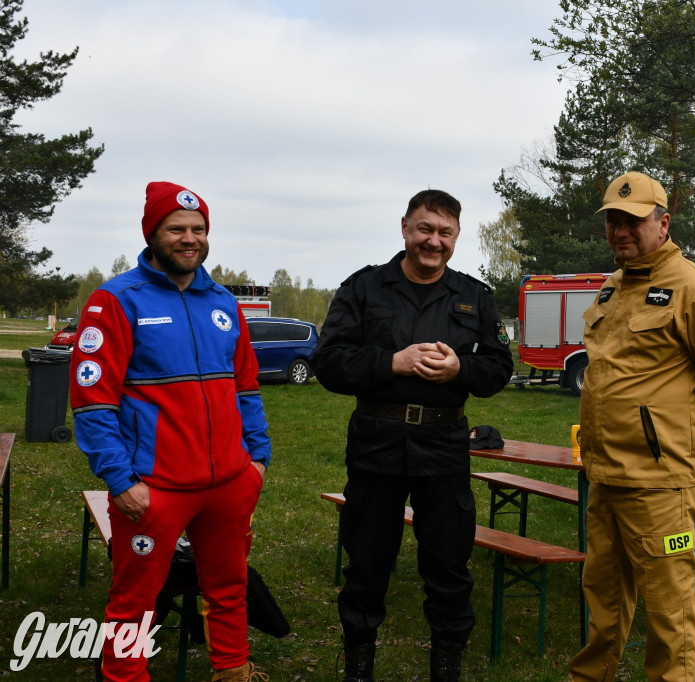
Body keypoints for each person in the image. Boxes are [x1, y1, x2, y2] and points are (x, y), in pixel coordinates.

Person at [70, 182, 271, 682]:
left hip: (228, 483)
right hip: (153, 489)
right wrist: (120, 479)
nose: (189, 238)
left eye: (198, 229)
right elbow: (93, 401)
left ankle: (232, 672)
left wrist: (256, 461)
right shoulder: (115, 300)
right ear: (152, 234)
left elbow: (246, 386)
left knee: (229, 589)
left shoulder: (223, 302)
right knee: (135, 601)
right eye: (176, 229)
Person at [311, 189, 513, 681]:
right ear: (405, 227)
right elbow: (328, 363)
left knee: (448, 568)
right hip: (377, 444)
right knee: (366, 566)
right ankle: (358, 668)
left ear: (457, 236)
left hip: (444, 448)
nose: (434, 241)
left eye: (445, 233)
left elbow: (499, 368)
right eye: (425, 229)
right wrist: (390, 362)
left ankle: (446, 669)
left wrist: (460, 369)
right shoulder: (364, 289)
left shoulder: (474, 296)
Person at [570, 171, 695, 682]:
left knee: (669, 609)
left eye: (632, 220)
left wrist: (689, 431)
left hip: (663, 483)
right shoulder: (613, 287)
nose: (620, 230)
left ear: (663, 222)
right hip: (606, 475)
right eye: (612, 220)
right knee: (603, 596)